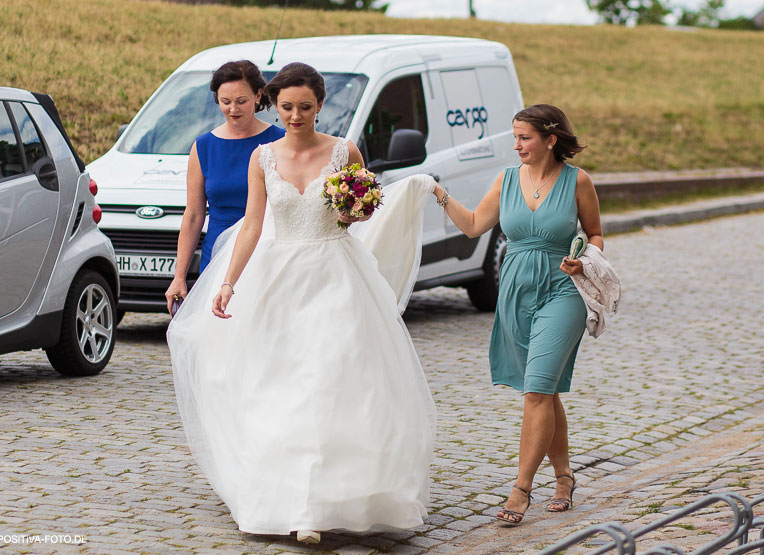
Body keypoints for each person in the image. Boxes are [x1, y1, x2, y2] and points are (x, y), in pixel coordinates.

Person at [167, 62, 435, 544]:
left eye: (305, 108)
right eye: (287, 107)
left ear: (320, 105)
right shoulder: (262, 158)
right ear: (276, 103)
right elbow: (251, 224)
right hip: (278, 280)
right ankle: (295, 503)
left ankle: (338, 497)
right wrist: (228, 281)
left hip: (336, 277)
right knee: (282, 387)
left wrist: (358, 207)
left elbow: (361, 211)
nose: (295, 116)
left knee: (331, 380)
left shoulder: (343, 150)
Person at [431, 103, 603, 526]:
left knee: (536, 392)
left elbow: (595, 233)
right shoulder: (506, 179)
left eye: (524, 137)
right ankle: (564, 478)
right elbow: (473, 226)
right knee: (544, 391)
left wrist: (586, 258)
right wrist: (438, 194)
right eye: (515, 137)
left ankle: (521, 488)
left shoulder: (577, 181)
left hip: (563, 290)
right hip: (516, 292)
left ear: (550, 139)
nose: (517, 145)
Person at [164, 60, 284, 314]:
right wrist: (179, 276)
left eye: (241, 101)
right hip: (217, 256)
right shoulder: (204, 146)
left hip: (269, 253)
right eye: (225, 101)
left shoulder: (280, 142)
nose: (232, 109)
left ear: (257, 95)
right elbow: (194, 215)